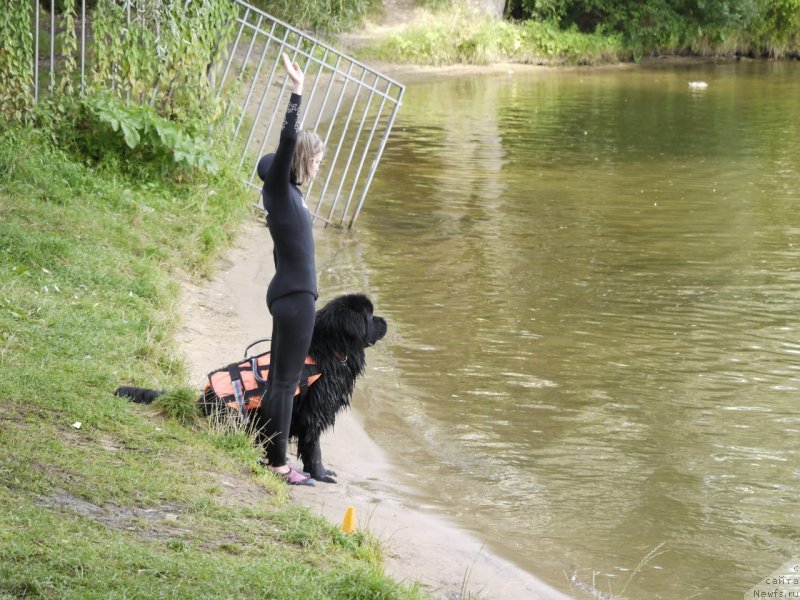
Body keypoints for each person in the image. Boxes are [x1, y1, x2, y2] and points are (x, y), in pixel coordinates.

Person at [255, 52, 324, 486]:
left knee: (281, 381)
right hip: (296, 299)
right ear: (298, 161)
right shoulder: (280, 190)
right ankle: (279, 464)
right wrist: (297, 91)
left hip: (289, 294)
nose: (318, 164)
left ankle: (270, 453)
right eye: (316, 158)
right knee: (286, 382)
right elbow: (287, 141)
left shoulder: (289, 195)